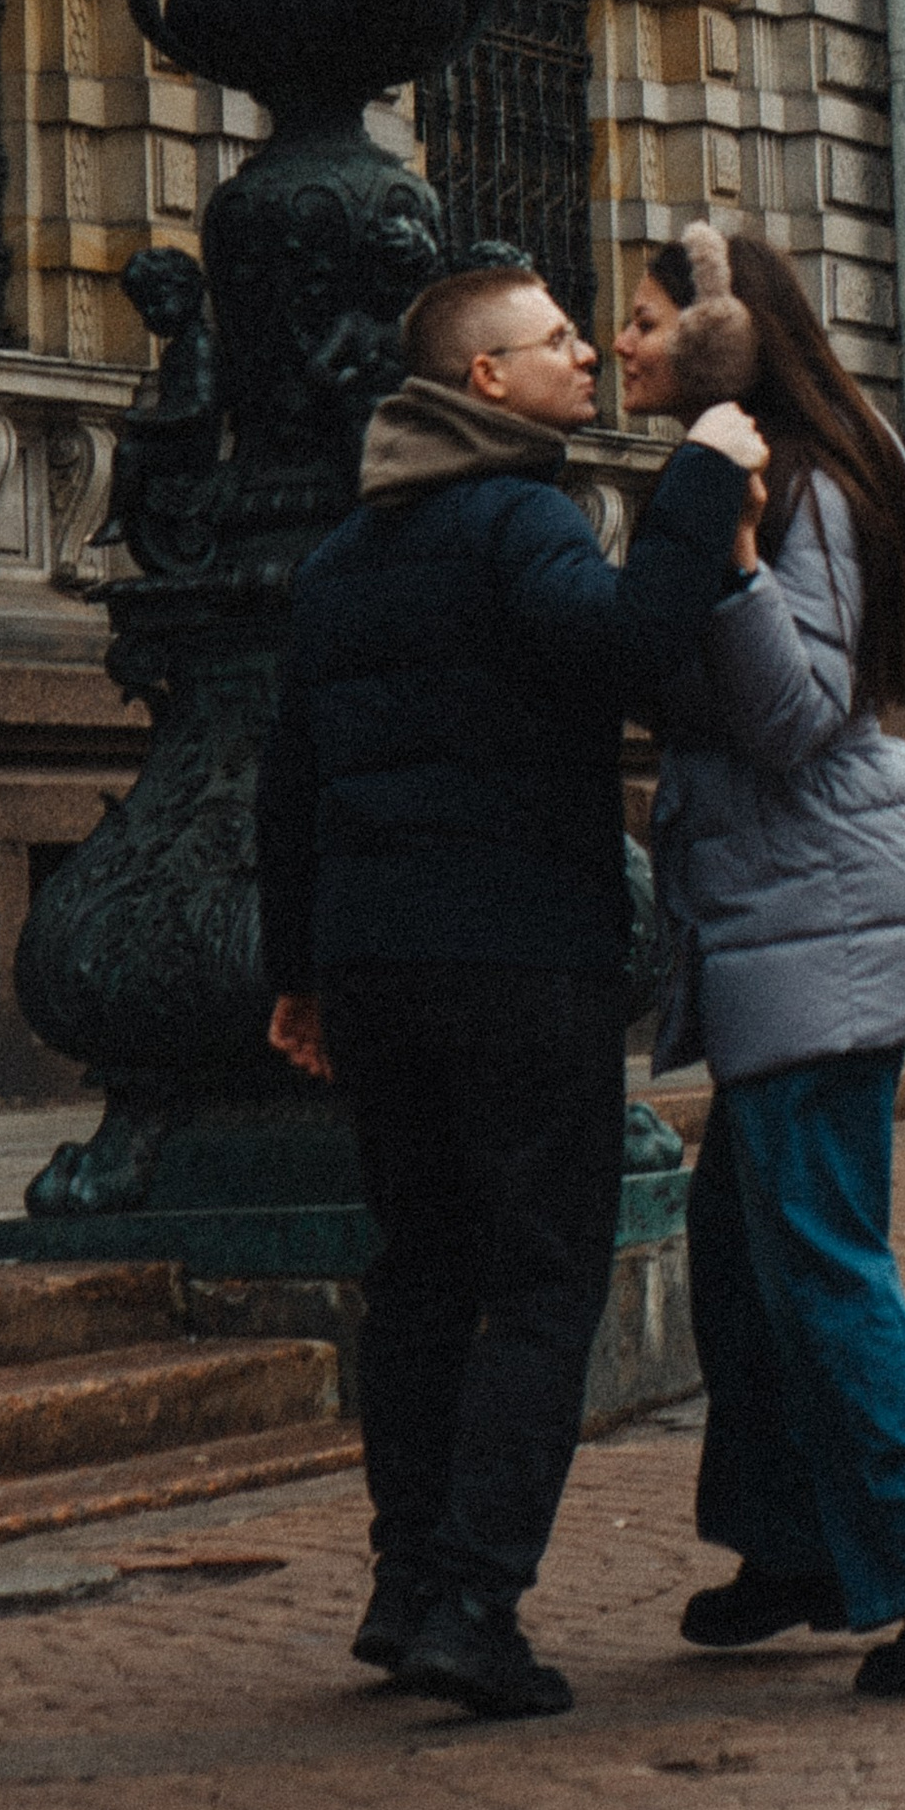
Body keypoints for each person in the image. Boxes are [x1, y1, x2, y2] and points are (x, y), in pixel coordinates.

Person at [258, 262, 766, 1722]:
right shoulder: (520, 515)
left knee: (418, 1275)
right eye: (557, 344)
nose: (590, 356)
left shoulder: (344, 557)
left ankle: (405, 1581)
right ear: (485, 381)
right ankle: (477, 1602)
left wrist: (298, 974)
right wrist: (692, 492)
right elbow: (620, 648)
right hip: (516, 956)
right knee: (544, 1280)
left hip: (376, 964)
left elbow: (288, 780)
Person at [615, 229, 905, 1698]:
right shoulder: (775, 469)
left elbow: (798, 715)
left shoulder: (788, 488)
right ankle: (789, 1538)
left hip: (822, 904)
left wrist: (727, 562)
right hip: (806, 904)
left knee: (816, 1251)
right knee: (744, 1247)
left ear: (727, 339)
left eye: (646, 320)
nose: (624, 344)